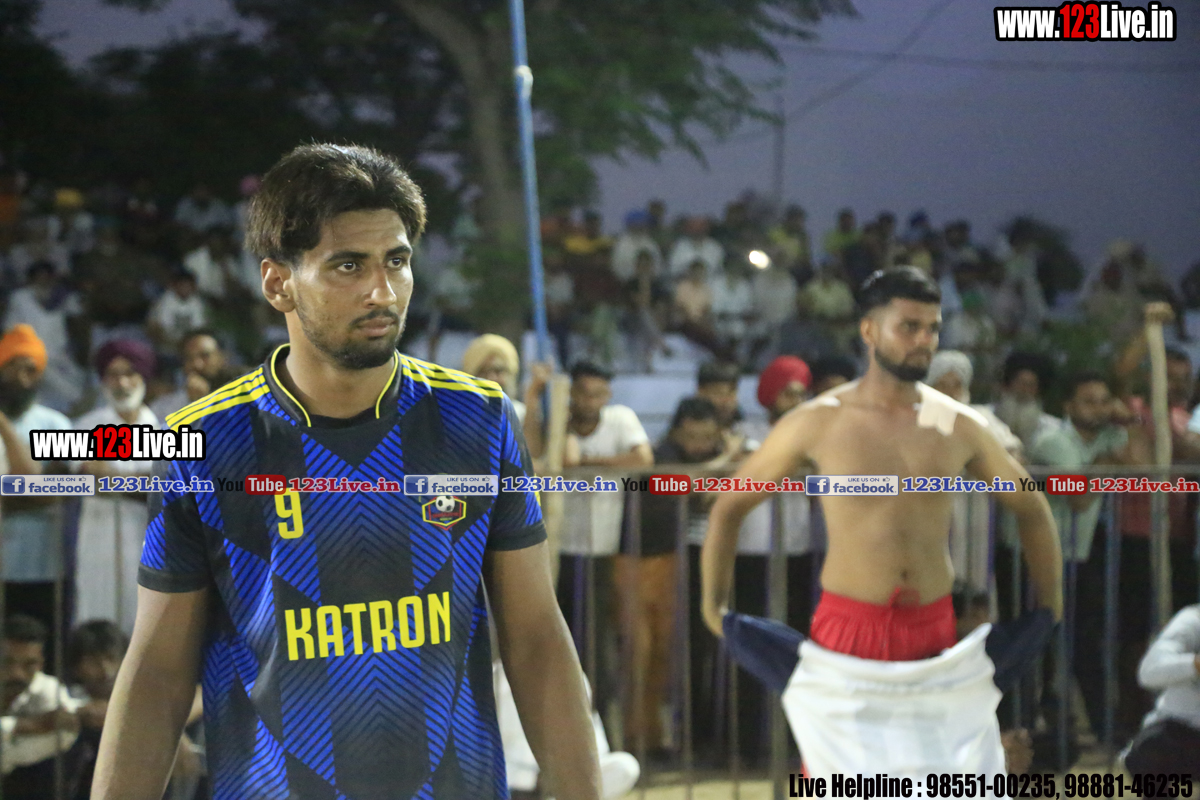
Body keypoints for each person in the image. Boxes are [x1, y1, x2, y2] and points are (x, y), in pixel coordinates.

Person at [92, 144, 601, 799]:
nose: (381, 291)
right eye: (347, 265)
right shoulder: (204, 442)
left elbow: (535, 639)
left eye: (397, 261)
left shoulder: (478, 419)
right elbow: (159, 673)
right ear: (278, 282)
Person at [701, 267, 1063, 773]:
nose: (924, 341)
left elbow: (1031, 508)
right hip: (848, 631)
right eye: (909, 326)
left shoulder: (957, 423)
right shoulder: (819, 419)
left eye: (932, 328)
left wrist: (1052, 602)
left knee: (937, 776)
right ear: (869, 330)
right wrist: (712, 606)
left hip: (934, 632)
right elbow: (729, 507)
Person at [1027, 371, 1149, 746]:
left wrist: (1131, 421)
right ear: (1068, 406)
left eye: (1103, 401)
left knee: (1086, 644)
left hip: (1078, 556)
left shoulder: (1107, 437)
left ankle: (1102, 729)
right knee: (1036, 646)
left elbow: (1142, 466)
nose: (1098, 409)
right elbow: (1078, 497)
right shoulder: (1053, 441)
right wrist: (1110, 459)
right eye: (1088, 401)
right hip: (1035, 558)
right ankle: (1026, 728)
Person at [73, 339, 159, 633]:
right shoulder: (88, 426)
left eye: (130, 373)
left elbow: (163, 485)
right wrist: (143, 482)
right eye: (113, 374)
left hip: (149, 543)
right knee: (98, 622)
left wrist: (112, 478)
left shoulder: (164, 427)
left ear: (143, 378)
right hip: (99, 543)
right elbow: (88, 477)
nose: (122, 383)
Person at [0, 326, 71, 669]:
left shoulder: (55, 424)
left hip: (43, 565)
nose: (21, 377)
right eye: (12, 366)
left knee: (44, 659)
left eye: (30, 369)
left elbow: (55, 491)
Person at [1, 614, 85, 799]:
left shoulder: (48, 689)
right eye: (7, 662)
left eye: (29, 665)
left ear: (41, 663)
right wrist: (26, 726)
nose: (17, 674)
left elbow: (66, 735)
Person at [1121, 603, 1200, 776]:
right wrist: (1195, 664)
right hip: (1184, 728)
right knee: (1149, 751)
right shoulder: (1193, 620)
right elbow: (1149, 671)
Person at [149, 328, 242, 421]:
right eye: (189, 358)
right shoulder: (164, 407)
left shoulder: (242, 394)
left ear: (222, 358)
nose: (196, 364)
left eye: (205, 356)